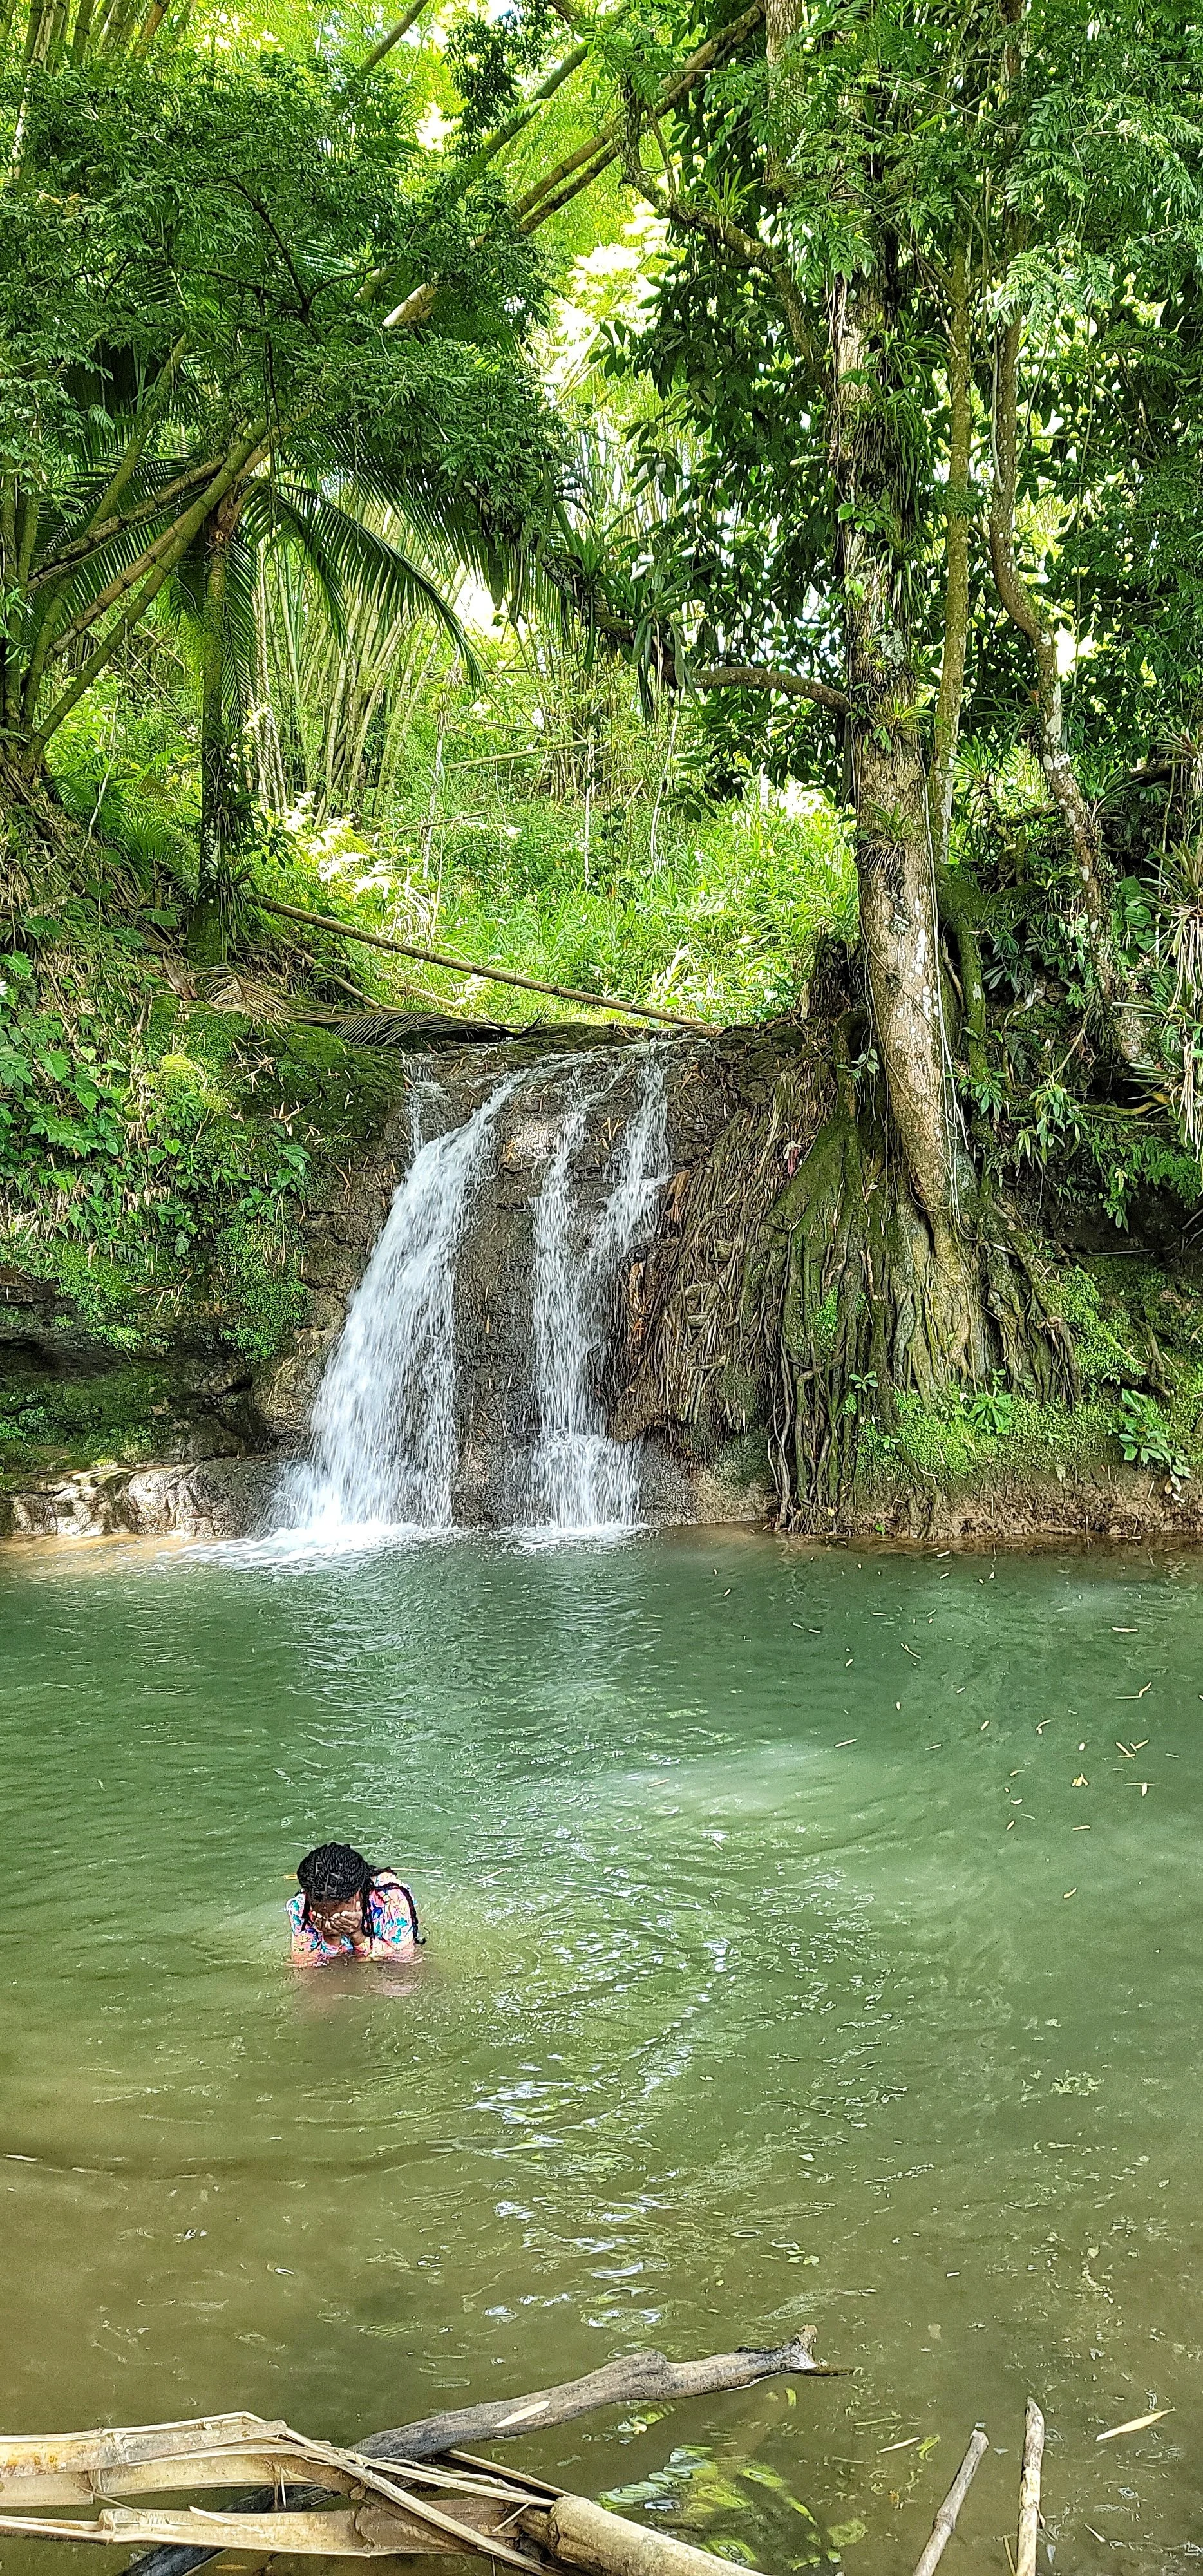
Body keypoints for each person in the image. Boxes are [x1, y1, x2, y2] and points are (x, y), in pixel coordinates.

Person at [289, 1841, 421, 1964]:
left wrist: (357, 1935)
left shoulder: (390, 1897)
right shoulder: (302, 1907)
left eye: (334, 1908)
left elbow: (404, 1958)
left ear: (355, 1895)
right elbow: (305, 1965)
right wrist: (331, 1938)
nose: (326, 1914)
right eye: (317, 1907)